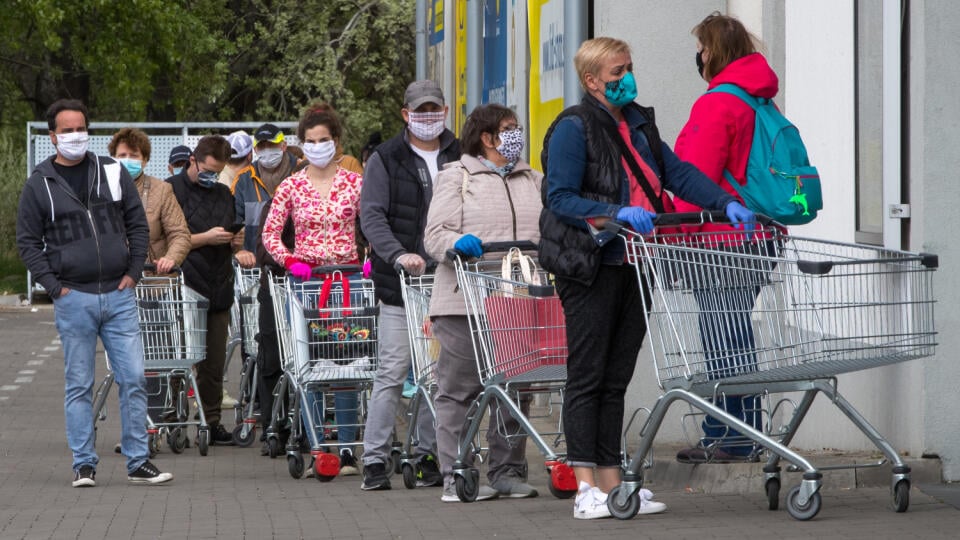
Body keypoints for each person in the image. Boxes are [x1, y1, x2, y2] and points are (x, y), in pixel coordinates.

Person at [539, 37, 755, 519]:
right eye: (618, 70)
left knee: (615, 378)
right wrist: (616, 211)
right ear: (593, 80)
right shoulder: (574, 128)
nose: (627, 77)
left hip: (638, 263)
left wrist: (724, 204)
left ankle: (615, 483)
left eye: (630, 66)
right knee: (588, 375)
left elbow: (678, 173)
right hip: (591, 264)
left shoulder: (637, 123)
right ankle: (585, 487)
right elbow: (560, 198)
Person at [16, 98, 173, 486]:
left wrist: (134, 271)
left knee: (134, 378)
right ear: (52, 137)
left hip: (119, 296)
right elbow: (28, 243)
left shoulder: (112, 171)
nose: (75, 136)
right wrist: (54, 287)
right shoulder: (39, 184)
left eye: (80, 128)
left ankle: (138, 462)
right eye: (67, 130)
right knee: (79, 384)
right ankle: (84, 463)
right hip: (74, 299)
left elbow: (137, 225)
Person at [672, 12, 780, 464]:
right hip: (759, 236)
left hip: (721, 240)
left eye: (700, 49)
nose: (696, 58)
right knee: (733, 334)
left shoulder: (718, 103)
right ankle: (740, 431)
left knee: (723, 338)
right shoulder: (760, 100)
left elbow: (692, 179)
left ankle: (731, 436)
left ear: (711, 52)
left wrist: (669, 234)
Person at [424, 103, 542, 502]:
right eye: (509, 129)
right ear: (487, 137)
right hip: (464, 301)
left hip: (517, 299)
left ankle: (507, 470)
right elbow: (435, 234)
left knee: (515, 389)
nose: (516, 135)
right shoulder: (457, 177)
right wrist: (457, 243)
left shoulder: (533, 179)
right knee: (458, 390)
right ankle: (456, 474)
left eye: (517, 128)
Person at [358, 79, 459, 491]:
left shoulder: (459, 153)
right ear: (405, 114)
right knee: (393, 370)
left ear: (446, 111)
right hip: (400, 283)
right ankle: (375, 459)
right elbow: (372, 215)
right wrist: (398, 254)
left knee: (438, 374)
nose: (428, 117)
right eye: (420, 110)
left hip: (447, 281)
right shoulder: (387, 157)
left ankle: (427, 454)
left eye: (435, 108)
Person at [261, 103, 364, 477]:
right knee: (311, 366)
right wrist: (290, 261)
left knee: (348, 364)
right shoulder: (292, 185)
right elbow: (269, 233)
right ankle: (318, 446)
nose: (318, 145)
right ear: (301, 145)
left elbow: (371, 223)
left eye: (325, 139)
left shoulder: (355, 183)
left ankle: (350, 448)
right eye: (310, 140)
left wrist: (369, 261)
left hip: (349, 282)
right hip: (305, 283)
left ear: (336, 142)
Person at [108, 127, 193, 451]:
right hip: (114, 288)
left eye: (134, 155)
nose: (127, 160)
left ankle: (151, 428)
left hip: (154, 287)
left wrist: (170, 258)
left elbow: (180, 233)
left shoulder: (160, 191)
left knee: (153, 363)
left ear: (145, 159)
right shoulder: (100, 190)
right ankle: (135, 426)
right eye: (122, 155)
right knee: (127, 366)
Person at [168, 135, 239, 445]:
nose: (212, 176)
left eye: (218, 171)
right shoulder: (170, 189)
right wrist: (205, 238)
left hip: (218, 284)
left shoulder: (224, 193)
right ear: (192, 161)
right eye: (208, 169)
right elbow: (167, 239)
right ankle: (174, 420)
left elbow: (232, 229)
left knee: (213, 362)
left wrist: (236, 240)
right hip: (182, 285)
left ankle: (211, 421)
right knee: (177, 358)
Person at [232, 123, 303, 259]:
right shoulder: (243, 179)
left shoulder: (303, 172)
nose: (267, 150)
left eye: (271, 145)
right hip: (255, 263)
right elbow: (233, 220)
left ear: (283, 146)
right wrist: (238, 251)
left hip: (298, 261)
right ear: (255, 150)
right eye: (262, 146)